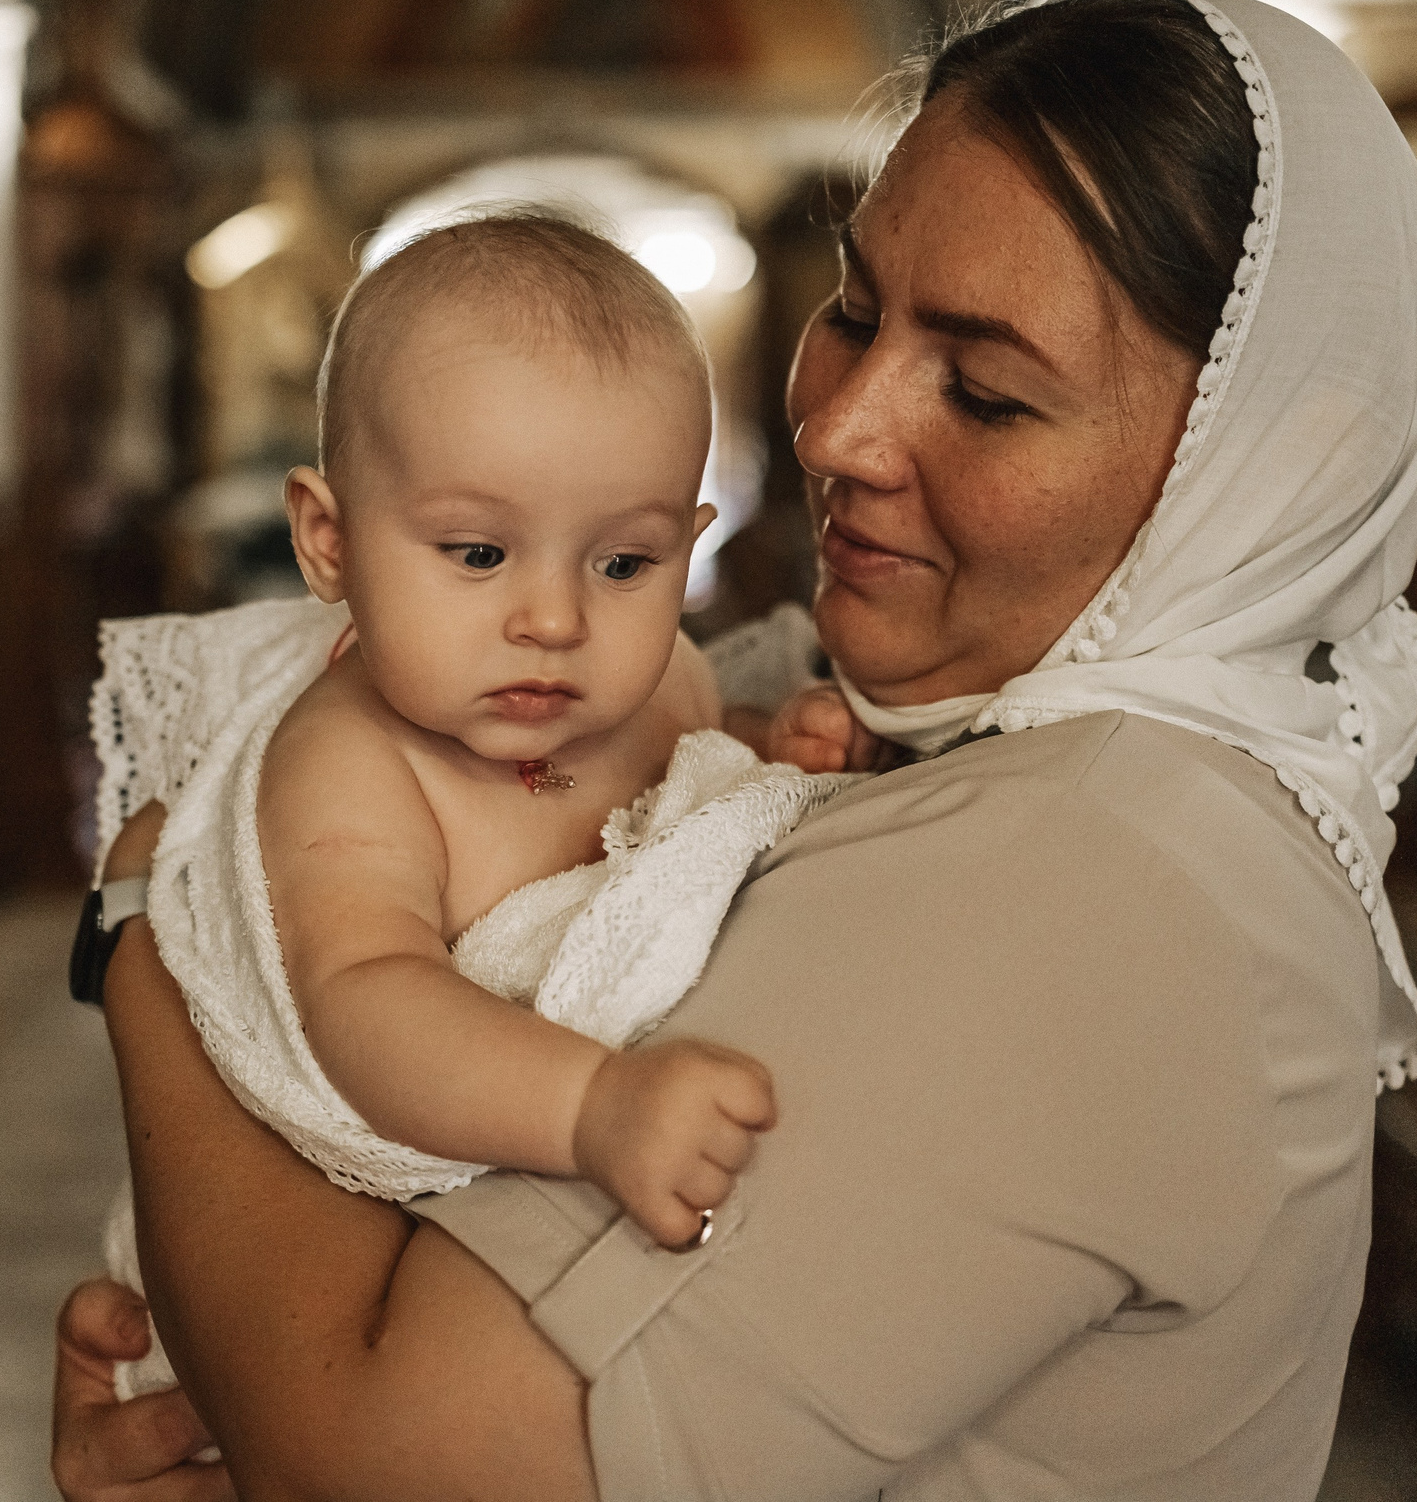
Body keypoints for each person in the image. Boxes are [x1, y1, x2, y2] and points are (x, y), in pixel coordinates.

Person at [54, 0, 1417, 1502]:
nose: (838, 425)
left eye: (983, 391)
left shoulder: (1099, 868)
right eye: (852, 308)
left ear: (1267, 468)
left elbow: (385, 1461)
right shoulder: (887, 715)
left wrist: (158, 906)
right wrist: (217, 1414)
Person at [84, 214, 849, 1395]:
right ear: (328, 543)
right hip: (376, 1217)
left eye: (623, 563)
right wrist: (590, 1104)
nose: (554, 619)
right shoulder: (350, 761)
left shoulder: (671, 685)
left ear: (689, 548)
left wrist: (772, 748)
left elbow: (709, 785)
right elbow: (361, 998)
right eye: (479, 555)